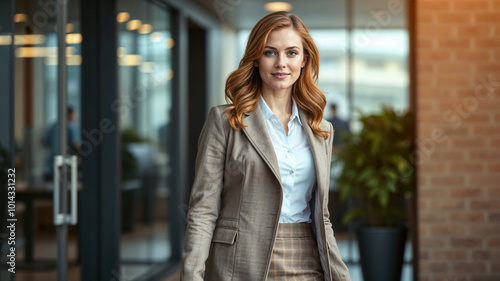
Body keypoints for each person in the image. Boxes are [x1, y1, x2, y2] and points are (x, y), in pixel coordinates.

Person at [181, 11, 351, 281]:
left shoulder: (321, 130)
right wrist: (192, 275)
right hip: (238, 262)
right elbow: (204, 209)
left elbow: (323, 214)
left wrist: (341, 274)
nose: (281, 63)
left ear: (304, 60)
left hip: (306, 259)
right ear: (256, 59)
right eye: (270, 52)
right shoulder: (225, 121)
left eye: (291, 53)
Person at [41, 106, 80, 181]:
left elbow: (43, 142)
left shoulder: (53, 126)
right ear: (68, 114)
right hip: (62, 163)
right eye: (72, 115)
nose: (73, 117)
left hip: (51, 164)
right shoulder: (69, 127)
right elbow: (74, 144)